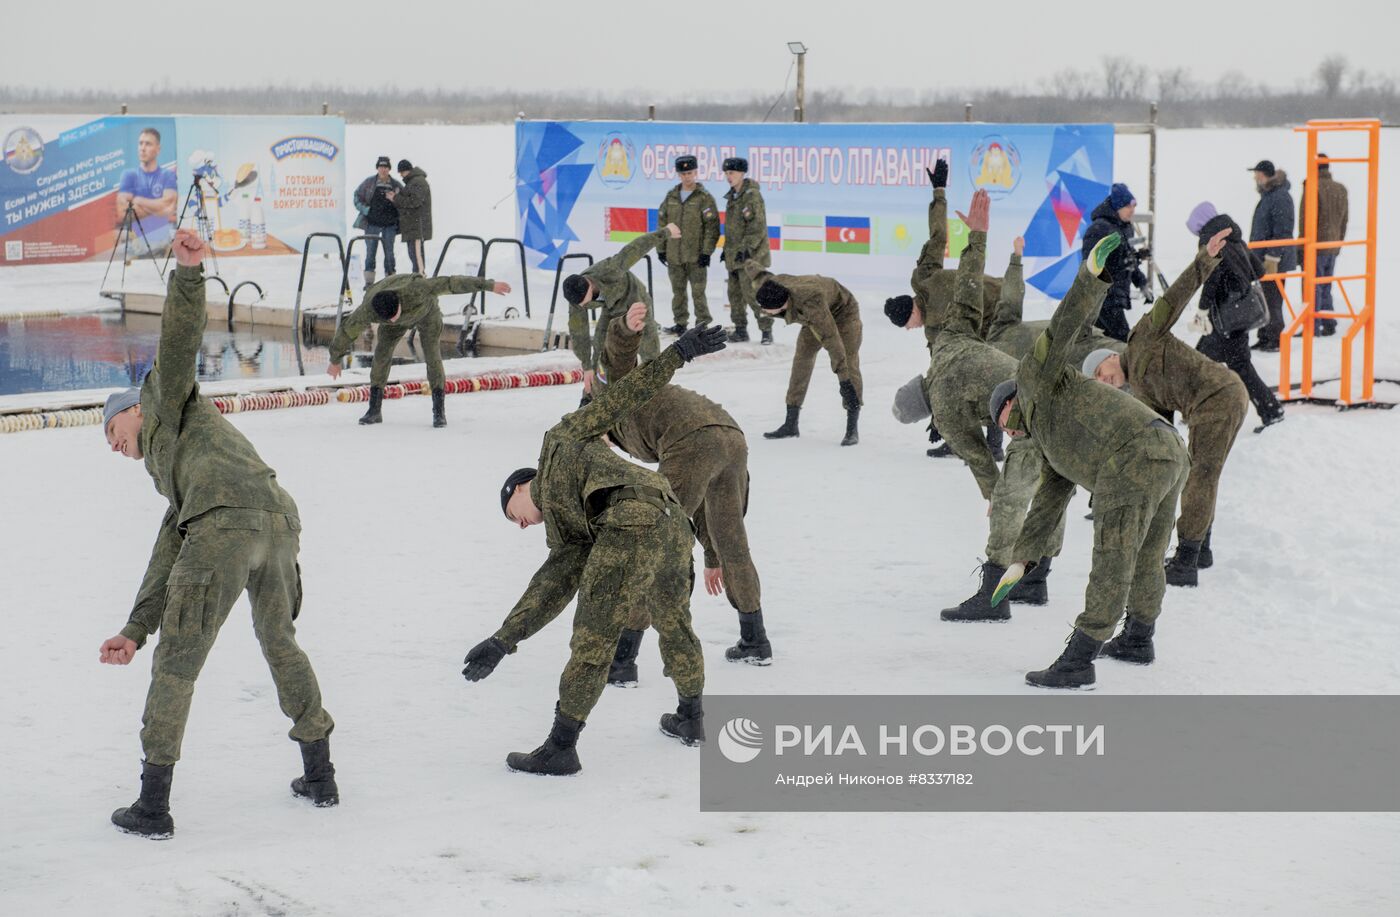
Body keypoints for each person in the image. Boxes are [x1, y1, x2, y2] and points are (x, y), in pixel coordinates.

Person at [98, 229, 337, 838]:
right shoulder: (178, 474)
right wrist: (133, 627)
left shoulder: (164, 397)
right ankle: (321, 773)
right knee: (281, 643)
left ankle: (152, 807)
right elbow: (166, 551)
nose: (115, 449)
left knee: (177, 663)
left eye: (111, 433)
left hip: (226, 526)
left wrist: (187, 272)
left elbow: (176, 341)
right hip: (278, 521)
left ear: (131, 409)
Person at [459, 325, 729, 776]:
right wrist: (503, 641)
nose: (520, 524)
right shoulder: (570, 530)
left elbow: (619, 399)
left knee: (593, 637)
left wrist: (676, 354)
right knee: (674, 623)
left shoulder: (559, 441)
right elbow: (552, 583)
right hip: (671, 519)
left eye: (513, 512)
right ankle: (691, 717)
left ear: (523, 485)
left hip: (632, 519)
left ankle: (561, 748)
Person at [990, 229, 1190, 689]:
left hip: (1135, 454)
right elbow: (1047, 502)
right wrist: (1021, 562)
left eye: (1003, 421)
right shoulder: (1051, 443)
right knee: (1148, 552)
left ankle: (1080, 657)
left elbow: (1062, 330)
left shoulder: (1036, 381)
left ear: (1010, 403)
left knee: (1113, 554)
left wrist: (1091, 277)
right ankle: (1139, 637)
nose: (1008, 432)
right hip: (1167, 448)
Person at [598, 302, 771, 680]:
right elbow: (702, 498)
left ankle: (622, 661)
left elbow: (618, 359)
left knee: (653, 544)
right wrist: (712, 556)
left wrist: (625, 328)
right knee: (733, 540)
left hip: (692, 437)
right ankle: (754, 640)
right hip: (729, 434)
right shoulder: (645, 408)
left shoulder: (616, 397)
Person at [1082, 224, 1247, 588]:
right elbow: (1158, 437)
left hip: (1218, 394)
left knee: (1202, 472)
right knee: (1197, 471)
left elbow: (1175, 297)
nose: (1102, 379)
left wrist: (1206, 259)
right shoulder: (1142, 394)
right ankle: (1200, 548)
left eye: (1100, 370)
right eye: (1096, 381)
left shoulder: (1142, 336)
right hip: (1213, 402)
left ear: (1112, 356)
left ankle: (1186, 560)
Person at [326, 273, 511, 427]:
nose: (392, 321)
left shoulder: (418, 289)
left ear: (399, 304)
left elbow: (451, 283)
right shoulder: (369, 309)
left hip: (426, 313)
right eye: (387, 319)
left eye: (393, 316)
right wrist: (335, 359)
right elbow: (347, 330)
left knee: (431, 355)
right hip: (393, 313)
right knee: (382, 353)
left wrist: (489, 285)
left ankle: (439, 412)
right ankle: (374, 410)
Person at [1186, 202, 1285, 428]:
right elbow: (1258, 270)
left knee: (1198, 364)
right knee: (1220, 364)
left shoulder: (1210, 241)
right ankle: (1271, 410)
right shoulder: (1233, 236)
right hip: (1240, 313)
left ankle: (1193, 410)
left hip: (1225, 317)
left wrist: (1202, 308)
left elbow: (1212, 277)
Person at [744, 260, 863, 446]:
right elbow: (759, 274)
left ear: (781, 306)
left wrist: (844, 381)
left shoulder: (811, 304)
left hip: (843, 312)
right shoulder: (772, 286)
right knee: (802, 359)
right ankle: (791, 423)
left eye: (766, 309)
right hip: (812, 316)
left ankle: (852, 427)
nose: (763, 311)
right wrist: (747, 261)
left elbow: (832, 340)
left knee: (848, 362)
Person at [564, 224, 678, 402]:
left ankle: (654, 395)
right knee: (600, 350)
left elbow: (636, 248)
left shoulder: (611, 270)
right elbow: (579, 334)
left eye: (585, 302)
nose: (583, 307)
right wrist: (586, 366)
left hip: (635, 300)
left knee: (649, 348)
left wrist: (666, 232)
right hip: (611, 310)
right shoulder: (576, 300)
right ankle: (590, 399)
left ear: (589, 285)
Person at [656, 154, 721, 334]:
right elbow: (662, 223)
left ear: (695, 173)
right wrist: (661, 248)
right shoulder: (671, 197)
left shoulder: (704, 198)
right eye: (683, 173)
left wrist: (707, 252)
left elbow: (712, 227)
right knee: (678, 293)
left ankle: (702, 324)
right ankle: (680, 323)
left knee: (698, 293)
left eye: (690, 173)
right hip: (674, 255)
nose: (687, 177)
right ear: (678, 174)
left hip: (696, 256)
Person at [1080, 182, 1150, 341]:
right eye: (1128, 207)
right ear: (1117, 207)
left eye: (1133, 207)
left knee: (1104, 342)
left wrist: (1142, 282)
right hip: (1103, 298)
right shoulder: (1099, 229)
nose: (1132, 211)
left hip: (1115, 297)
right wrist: (1128, 260)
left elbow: (1126, 261)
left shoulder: (1125, 227)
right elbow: (1090, 265)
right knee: (1123, 341)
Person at [720, 157, 774, 344]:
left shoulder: (751, 196)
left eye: (732, 173)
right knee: (734, 295)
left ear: (742, 173)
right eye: (726, 173)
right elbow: (733, 228)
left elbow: (757, 227)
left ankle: (766, 330)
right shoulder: (732, 197)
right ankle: (740, 329)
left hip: (751, 257)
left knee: (754, 294)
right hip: (734, 256)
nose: (729, 177)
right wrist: (727, 250)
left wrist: (746, 248)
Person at [1247, 160, 1296, 351]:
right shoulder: (1269, 196)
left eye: (1257, 174)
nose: (1255, 178)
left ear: (1265, 175)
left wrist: (1272, 257)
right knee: (1264, 298)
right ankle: (1265, 336)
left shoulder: (1280, 197)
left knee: (1273, 300)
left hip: (1274, 260)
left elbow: (1283, 230)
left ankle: (1275, 339)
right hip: (1262, 257)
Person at [1299, 156, 1349, 336]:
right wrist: (1339, 242)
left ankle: (1313, 324)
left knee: (1312, 286)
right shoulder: (1340, 188)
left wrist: (1301, 246)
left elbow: (1306, 220)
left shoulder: (1312, 186)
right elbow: (1344, 220)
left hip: (1315, 245)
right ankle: (1328, 321)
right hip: (1333, 244)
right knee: (1326, 284)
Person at [115, 126, 178, 252]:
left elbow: (170, 209)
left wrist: (138, 200)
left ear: (158, 149)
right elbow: (123, 212)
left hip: (162, 242)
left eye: (148, 144)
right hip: (135, 242)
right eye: (140, 143)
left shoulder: (167, 175)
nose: (142, 148)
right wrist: (159, 207)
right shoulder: (129, 175)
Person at [353, 156, 402, 289]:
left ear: (389, 169)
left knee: (389, 253)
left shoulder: (396, 185)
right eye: (381, 167)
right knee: (370, 252)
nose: (383, 169)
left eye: (386, 167)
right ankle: (369, 282)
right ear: (377, 168)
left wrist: (395, 200)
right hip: (372, 224)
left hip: (390, 225)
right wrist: (366, 210)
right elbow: (356, 197)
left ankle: (390, 280)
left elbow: (404, 201)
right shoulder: (369, 183)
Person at [392, 159, 432, 274]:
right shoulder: (413, 182)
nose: (400, 175)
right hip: (413, 226)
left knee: (417, 258)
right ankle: (417, 278)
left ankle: (420, 281)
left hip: (416, 226)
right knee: (414, 255)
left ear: (406, 170)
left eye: (401, 172)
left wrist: (396, 198)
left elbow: (414, 202)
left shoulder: (417, 181)